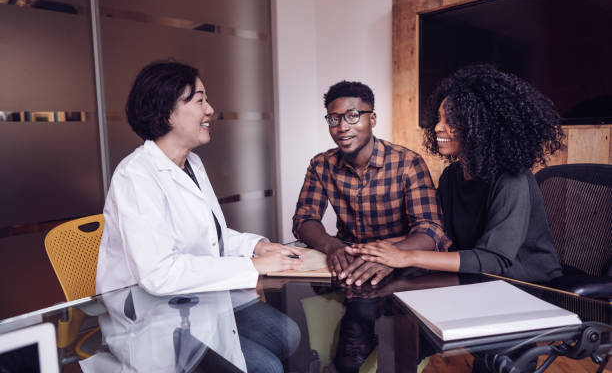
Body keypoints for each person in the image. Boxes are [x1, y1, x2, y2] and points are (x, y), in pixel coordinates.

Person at [96, 61, 301, 372]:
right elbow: (158, 273)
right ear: (167, 112)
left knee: (287, 334)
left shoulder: (191, 163)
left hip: (201, 298)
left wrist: (256, 247)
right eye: (200, 100)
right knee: (268, 367)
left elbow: (209, 234)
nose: (211, 110)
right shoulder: (135, 176)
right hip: (156, 317)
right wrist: (250, 266)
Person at [348, 64, 564, 283]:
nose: (438, 128)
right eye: (439, 118)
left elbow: (494, 259)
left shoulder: (512, 179)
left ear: (481, 125)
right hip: (479, 280)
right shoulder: (452, 176)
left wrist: (405, 257)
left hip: (529, 285)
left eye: (451, 121)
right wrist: (378, 250)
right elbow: (441, 235)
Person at [292, 80, 446, 287]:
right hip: (347, 261)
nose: (342, 127)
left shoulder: (407, 163)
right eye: (334, 119)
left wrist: (391, 255)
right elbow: (304, 219)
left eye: (353, 116)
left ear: (372, 119)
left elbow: (430, 229)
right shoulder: (321, 165)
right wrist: (331, 245)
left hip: (402, 267)